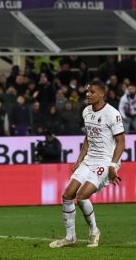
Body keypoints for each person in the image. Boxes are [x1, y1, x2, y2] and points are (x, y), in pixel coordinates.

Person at [50, 80, 125, 249]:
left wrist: (112, 166)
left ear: (101, 94)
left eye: (92, 92)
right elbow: (88, 138)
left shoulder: (112, 114)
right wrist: (79, 160)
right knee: (67, 195)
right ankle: (70, 238)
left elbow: (121, 142)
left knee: (82, 195)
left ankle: (94, 231)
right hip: (89, 159)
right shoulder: (86, 112)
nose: (88, 94)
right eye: (87, 92)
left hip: (105, 161)